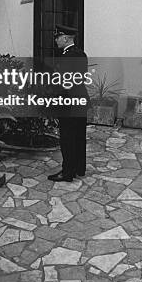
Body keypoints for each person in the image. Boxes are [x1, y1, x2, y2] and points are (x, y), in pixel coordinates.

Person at [47, 24, 89, 182]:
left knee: (67, 138)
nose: (56, 40)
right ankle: (79, 168)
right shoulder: (81, 54)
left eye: (58, 37)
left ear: (65, 38)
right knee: (79, 136)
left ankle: (67, 172)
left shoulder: (66, 58)